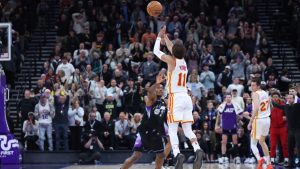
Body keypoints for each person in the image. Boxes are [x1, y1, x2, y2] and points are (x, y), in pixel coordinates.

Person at [153, 26, 204, 169]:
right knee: (188, 129)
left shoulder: (171, 61)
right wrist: (166, 37)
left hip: (175, 97)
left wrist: (158, 37)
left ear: (172, 52)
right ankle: (197, 148)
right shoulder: (184, 62)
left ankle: (177, 153)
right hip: (186, 97)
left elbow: (156, 51)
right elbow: (173, 49)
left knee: (172, 129)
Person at [121, 72, 171, 169]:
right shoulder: (150, 100)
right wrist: (156, 83)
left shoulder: (164, 102)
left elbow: (173, 101)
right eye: (158, 88)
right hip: (147, 130)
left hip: (154, 131)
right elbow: (149, 92)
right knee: (137, 156)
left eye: (162, 88)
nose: (160, 89)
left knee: (141, 156)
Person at [248, 78, 273, 169]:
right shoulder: (265, 93)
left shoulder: (255, 94)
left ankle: (259, 159)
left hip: (258, 120)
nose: (252, 87)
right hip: (267, 119)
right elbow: (270, 105)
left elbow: (256, 108)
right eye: (251, 85)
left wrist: (250, 121)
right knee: (262, 142)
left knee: (253, 144)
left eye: (254, 85)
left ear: (258, 85)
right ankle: (269, 164)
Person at [272, 94, 300, 168]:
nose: (290, 99)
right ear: (286, 99)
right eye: (288, 98)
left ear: (294, 99)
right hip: (290, 131)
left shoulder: (298, 106)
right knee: (290, 147)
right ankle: (291, 164)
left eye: (291, 98)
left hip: (298, 130)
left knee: (299, 147)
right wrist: (269, 99)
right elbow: (276, 105)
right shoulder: (286, 107)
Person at [215, 93, 243, 164]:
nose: (228, 98)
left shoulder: (235, 105)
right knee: (224, 141)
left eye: (229, 97)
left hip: (233, 125)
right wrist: (216, 125)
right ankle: (224, 156)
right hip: (225, 126)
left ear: (231, 98)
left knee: (235, 141)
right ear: (225, 98)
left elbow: (240, 115)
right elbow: (218, 116)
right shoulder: (222, 106)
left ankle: (237, 157)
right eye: (227, 97)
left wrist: (238, 121)